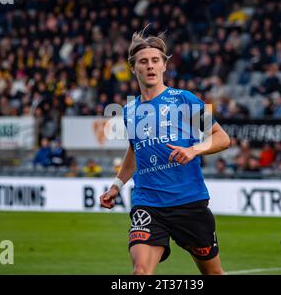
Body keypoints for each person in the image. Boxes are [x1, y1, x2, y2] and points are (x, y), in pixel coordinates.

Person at [99, 28, 230, 275]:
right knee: (140, 272)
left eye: (155, 61)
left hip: (188, 201)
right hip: (148, 203)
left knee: (213, 273)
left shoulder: (185, 99)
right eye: (143, 61)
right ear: (133, 68)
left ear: (164, 66)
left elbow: (222, 138)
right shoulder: (129, 110)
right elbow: (134, 150)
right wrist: (117, 185)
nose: (150, 66)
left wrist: (194, 149)